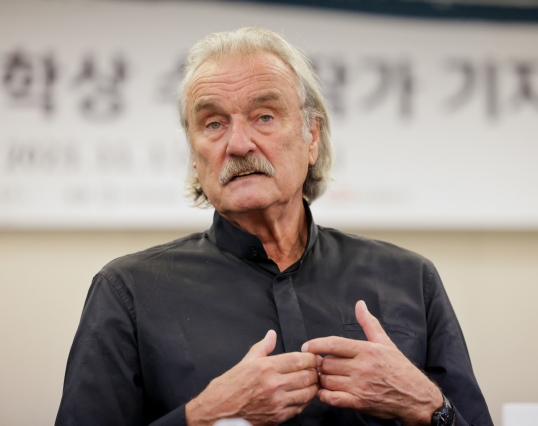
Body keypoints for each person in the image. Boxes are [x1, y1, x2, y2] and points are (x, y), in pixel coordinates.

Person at [56, 27, 492, 426]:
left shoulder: (410, 279)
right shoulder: (128, 291)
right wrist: (203, 416)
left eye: (264, 116)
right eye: (213, 124)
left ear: (311, 137)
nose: (239, 143)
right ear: (194, 154)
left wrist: (427, 405)